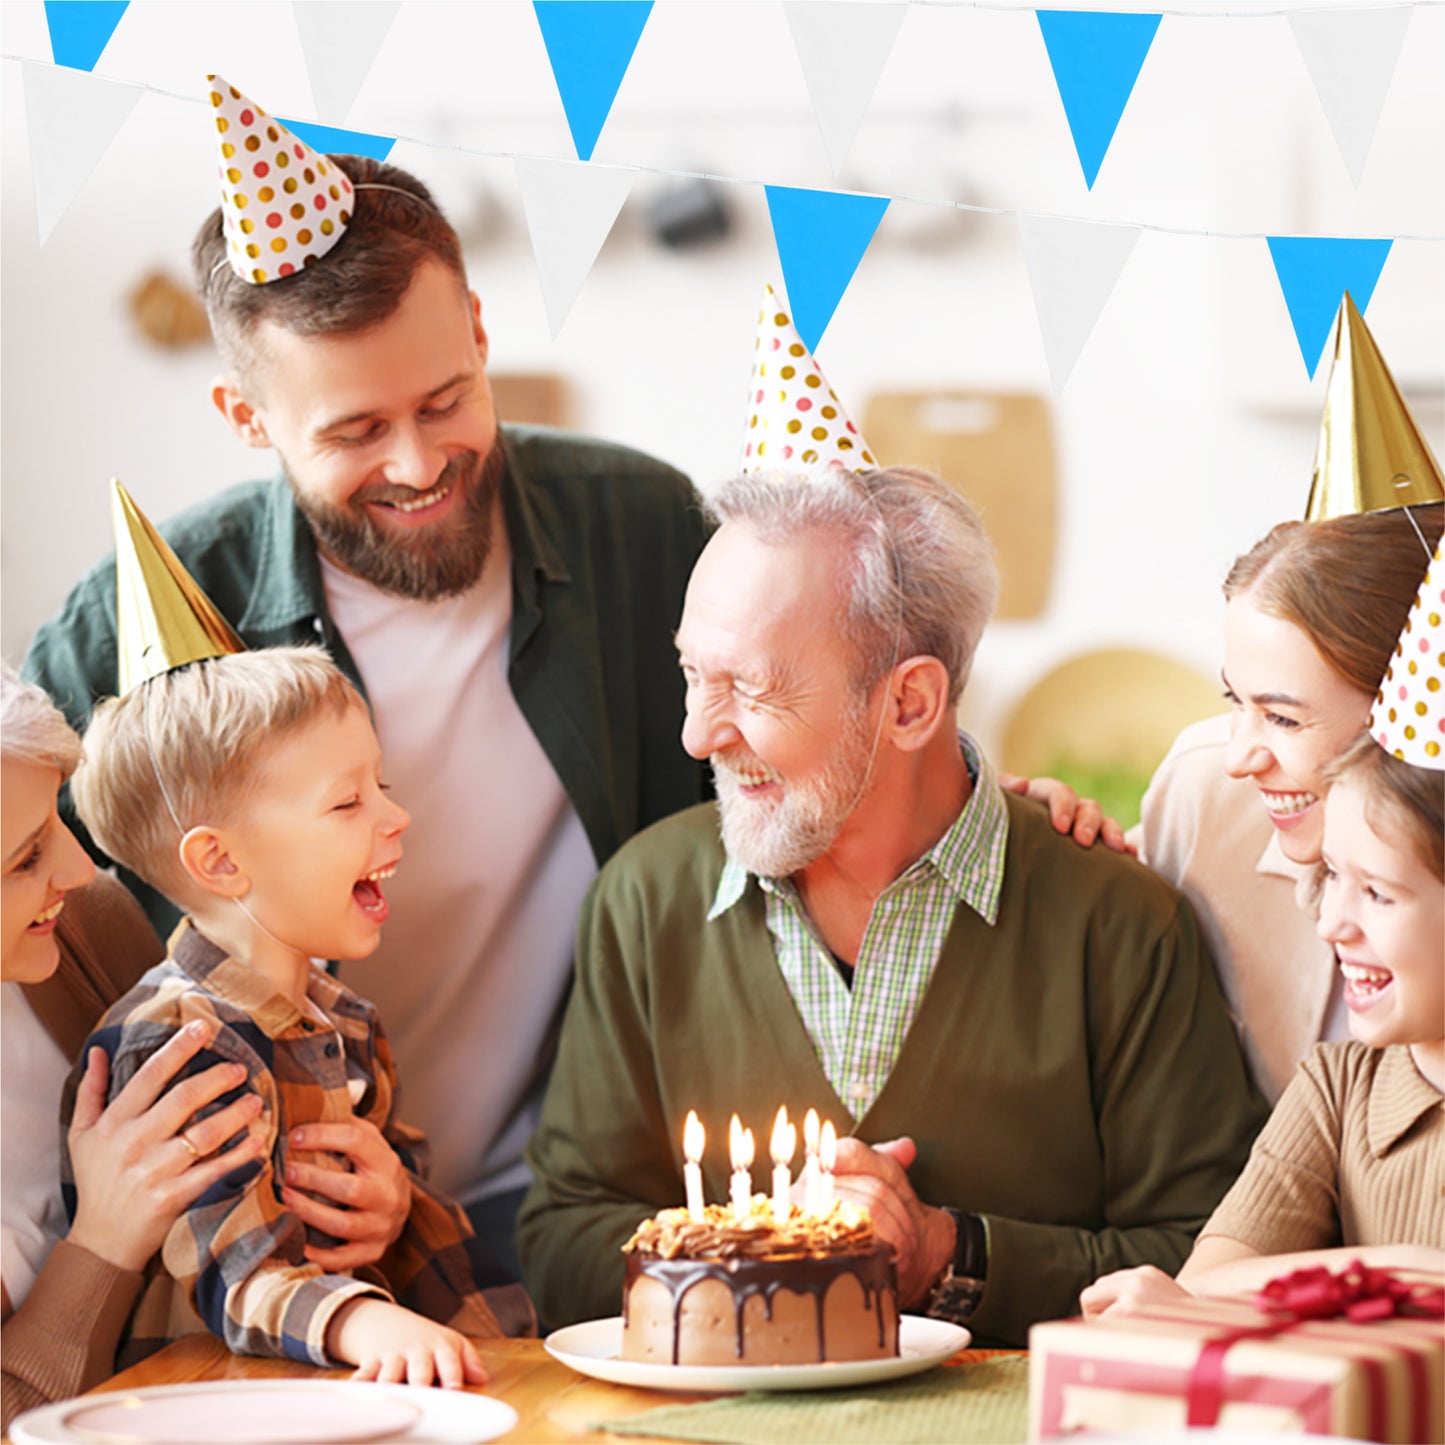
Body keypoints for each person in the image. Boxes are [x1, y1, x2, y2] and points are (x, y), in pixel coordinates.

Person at [23, 83, 711, 1275]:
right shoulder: (141, 617)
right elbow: (31, 890)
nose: (416, 461)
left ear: (482, 332)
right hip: (273, 1233)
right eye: (352, 432)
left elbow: (805, 740)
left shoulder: (638, 526)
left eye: (445, 400)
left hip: (576, 1202)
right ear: (246, 414)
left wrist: (981, 800)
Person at [516, 465, 1266, 1347]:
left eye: (750, 688)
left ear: (908, 702)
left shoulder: (1119, 924)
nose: (696, 731)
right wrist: (774, 1263)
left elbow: (1209, 1258)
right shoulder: (642, 902)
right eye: (692, 671)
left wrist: (951, 1255)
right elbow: (559, 1239)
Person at [66, 644, 501, 1382]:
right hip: (204, 1412)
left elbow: (416, 1239)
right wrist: (360, 1319)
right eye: (347, 801)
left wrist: (507, 1346)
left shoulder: (348, 1022)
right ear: (220, 862)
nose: (396, 814)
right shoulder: (177, 1043)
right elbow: (234, 1269)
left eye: (381, 783)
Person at [1082, 729, 1444, 1316]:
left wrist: (1358, 1277)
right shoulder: (1338, 1089)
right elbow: (1204, 1283)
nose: (1330, 923)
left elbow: (1221, 1294)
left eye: (1376, 893)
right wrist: (1410, 1272)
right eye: (1332, 875)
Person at [1, 666, 262, 1431]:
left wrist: (372, 1199)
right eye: (24, 858)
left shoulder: (86, 925)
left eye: (58, 821)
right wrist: (103, 1244)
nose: (78, 870)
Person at [1136, 502, 1442, 1104]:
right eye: (1235, 700)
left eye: (1281, 717)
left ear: (1409, 705)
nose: (1240, 757)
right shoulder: (1205, 798)